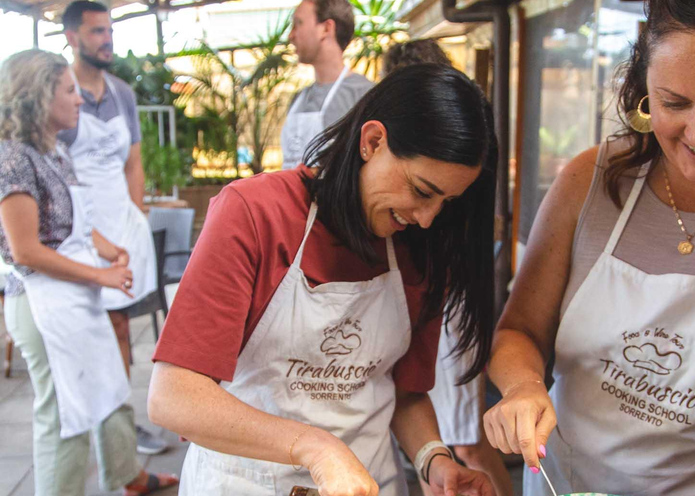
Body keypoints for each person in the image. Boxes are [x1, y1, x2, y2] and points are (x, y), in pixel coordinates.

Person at [148, 63, 497, 496]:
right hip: (246, 482)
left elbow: (404, 394)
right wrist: (315, 447)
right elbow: (174, 396)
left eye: (446, 202)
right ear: (373, 142)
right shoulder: (255, 214)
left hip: (369, 483)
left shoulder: (420, 248)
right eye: (422, 191)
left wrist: (434, 462)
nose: (427, 218)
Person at [483, 0, 695, 494]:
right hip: (566, 482)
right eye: (673, 102)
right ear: (643, 88)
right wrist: (524, 388)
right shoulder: (590, 180)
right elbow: (518, 332)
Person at [0, 49, 178, 496]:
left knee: (110, 385)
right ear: (38, 98)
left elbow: (69, 222)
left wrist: (109, 249)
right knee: (66, 413)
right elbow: (26, 250)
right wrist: (100, 275)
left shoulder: (54, 149)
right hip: (42, 304)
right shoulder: (12, 159)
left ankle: (128, 476)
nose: (79, 100)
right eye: (68, 90)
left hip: (74, 295)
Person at [382, 40, 515, 496]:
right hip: (426, 302)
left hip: (452, 304)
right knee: (434, 445)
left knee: (466, 441)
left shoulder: (462, 158)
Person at [59, 0, 166, 455]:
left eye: (109, 31)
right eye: (97, 31)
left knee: (120, 328)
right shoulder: (59, 93)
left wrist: (136, 213)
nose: (107, 40)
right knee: (89, 334)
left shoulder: (121, 90)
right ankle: (95, 429)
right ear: (72, 37)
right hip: (79, 232)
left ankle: (119, 432)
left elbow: (134, 161)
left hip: (122, 226)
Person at [281, 0, 373, 169]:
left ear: (326, 28)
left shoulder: (365, 95)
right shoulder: (299, 99)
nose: (291, 36)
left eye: (298, 24)